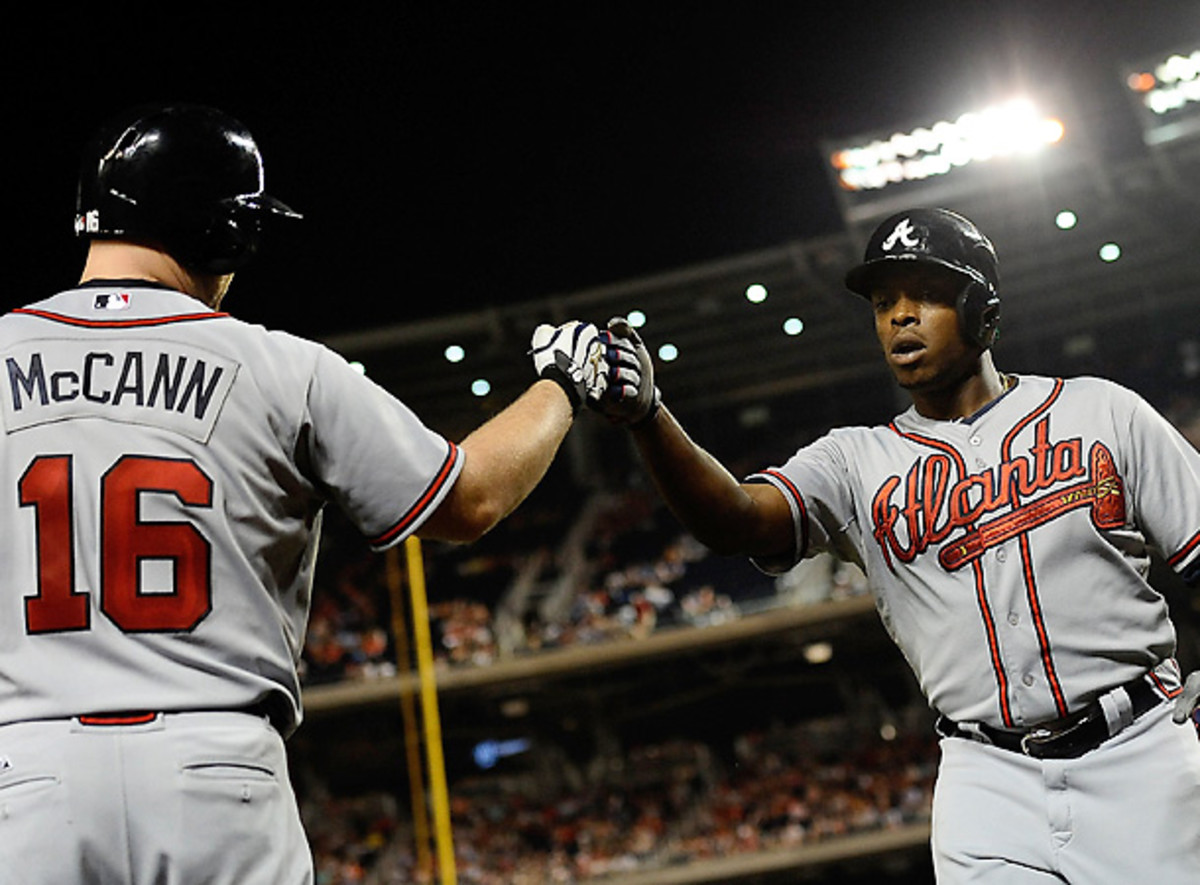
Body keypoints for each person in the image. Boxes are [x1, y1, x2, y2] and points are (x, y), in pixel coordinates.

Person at [0, 102, 605, 884]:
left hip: (27, 781)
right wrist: (562, 386)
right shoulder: (281, 366)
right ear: (225, 229)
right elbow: (468, 497)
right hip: (216, 774)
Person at [589, 207, 1200, 883]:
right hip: (987, 779)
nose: (900, 317)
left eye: (926, 296)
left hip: (1138, 751)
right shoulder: (854, 462)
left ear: (983, 309)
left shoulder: (1101, 411)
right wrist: (649, 417)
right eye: (884, 303)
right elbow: (738, 519)